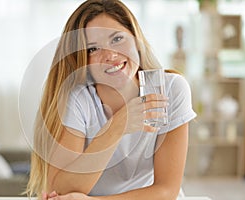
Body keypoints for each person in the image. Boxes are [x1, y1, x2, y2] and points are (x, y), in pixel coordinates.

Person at [26, 0, 196, 199]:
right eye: (93, 49)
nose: (110, 55)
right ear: (83, 62)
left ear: (136, 40)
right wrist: (117, 126)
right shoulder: (79, 100)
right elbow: (61, 189)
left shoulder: (171, 89)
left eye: (117, 39)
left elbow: (166, 191)